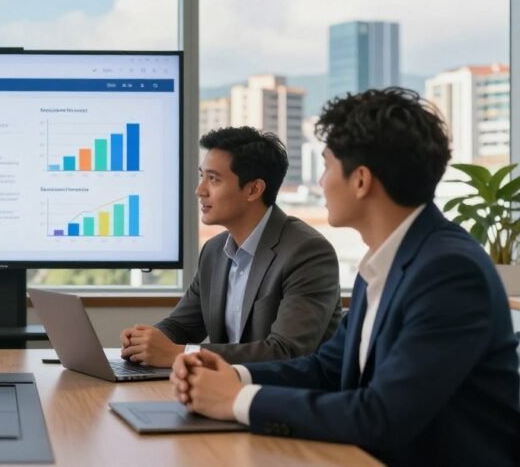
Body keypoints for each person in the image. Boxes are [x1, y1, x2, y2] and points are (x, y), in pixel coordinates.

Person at [172, 88, 520, 467]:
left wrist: (235, 401)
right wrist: (232, 375)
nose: (321, 182)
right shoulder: (386, 260)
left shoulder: (449, 271)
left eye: (326, 166)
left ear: (361, 181)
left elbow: (381, 415)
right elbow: (327, 368)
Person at [121, 126, 341, 367]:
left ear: (253, 189)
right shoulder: (214, 251)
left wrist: (181, 355)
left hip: (283, 397)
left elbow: (286, 352)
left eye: (213, 179)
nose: (200, 190)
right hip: (223, 393)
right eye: (202, 175)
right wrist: (144, 340)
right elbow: (182, 326)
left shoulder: (307, 252)